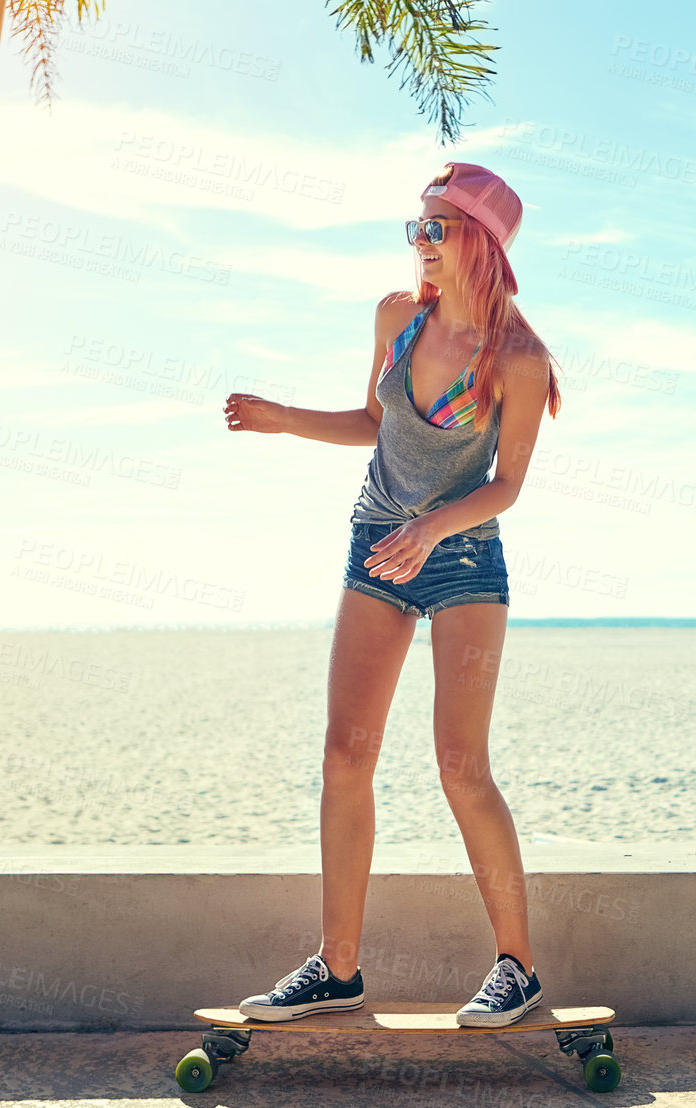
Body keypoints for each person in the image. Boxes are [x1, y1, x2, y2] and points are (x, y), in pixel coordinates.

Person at [221, 161, 562, 1027]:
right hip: (375, 549)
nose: (420, 243)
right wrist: (286, 419)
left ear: (479, 243)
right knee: (346, 753)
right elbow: (374, 425)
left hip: (463, 561)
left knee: (459, 766)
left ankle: (516, 967)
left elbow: (507, 486)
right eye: (415, 227)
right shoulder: (396, 319)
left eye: (436, 229)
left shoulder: (518, 359)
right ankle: (338, 969)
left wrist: (434, 527)